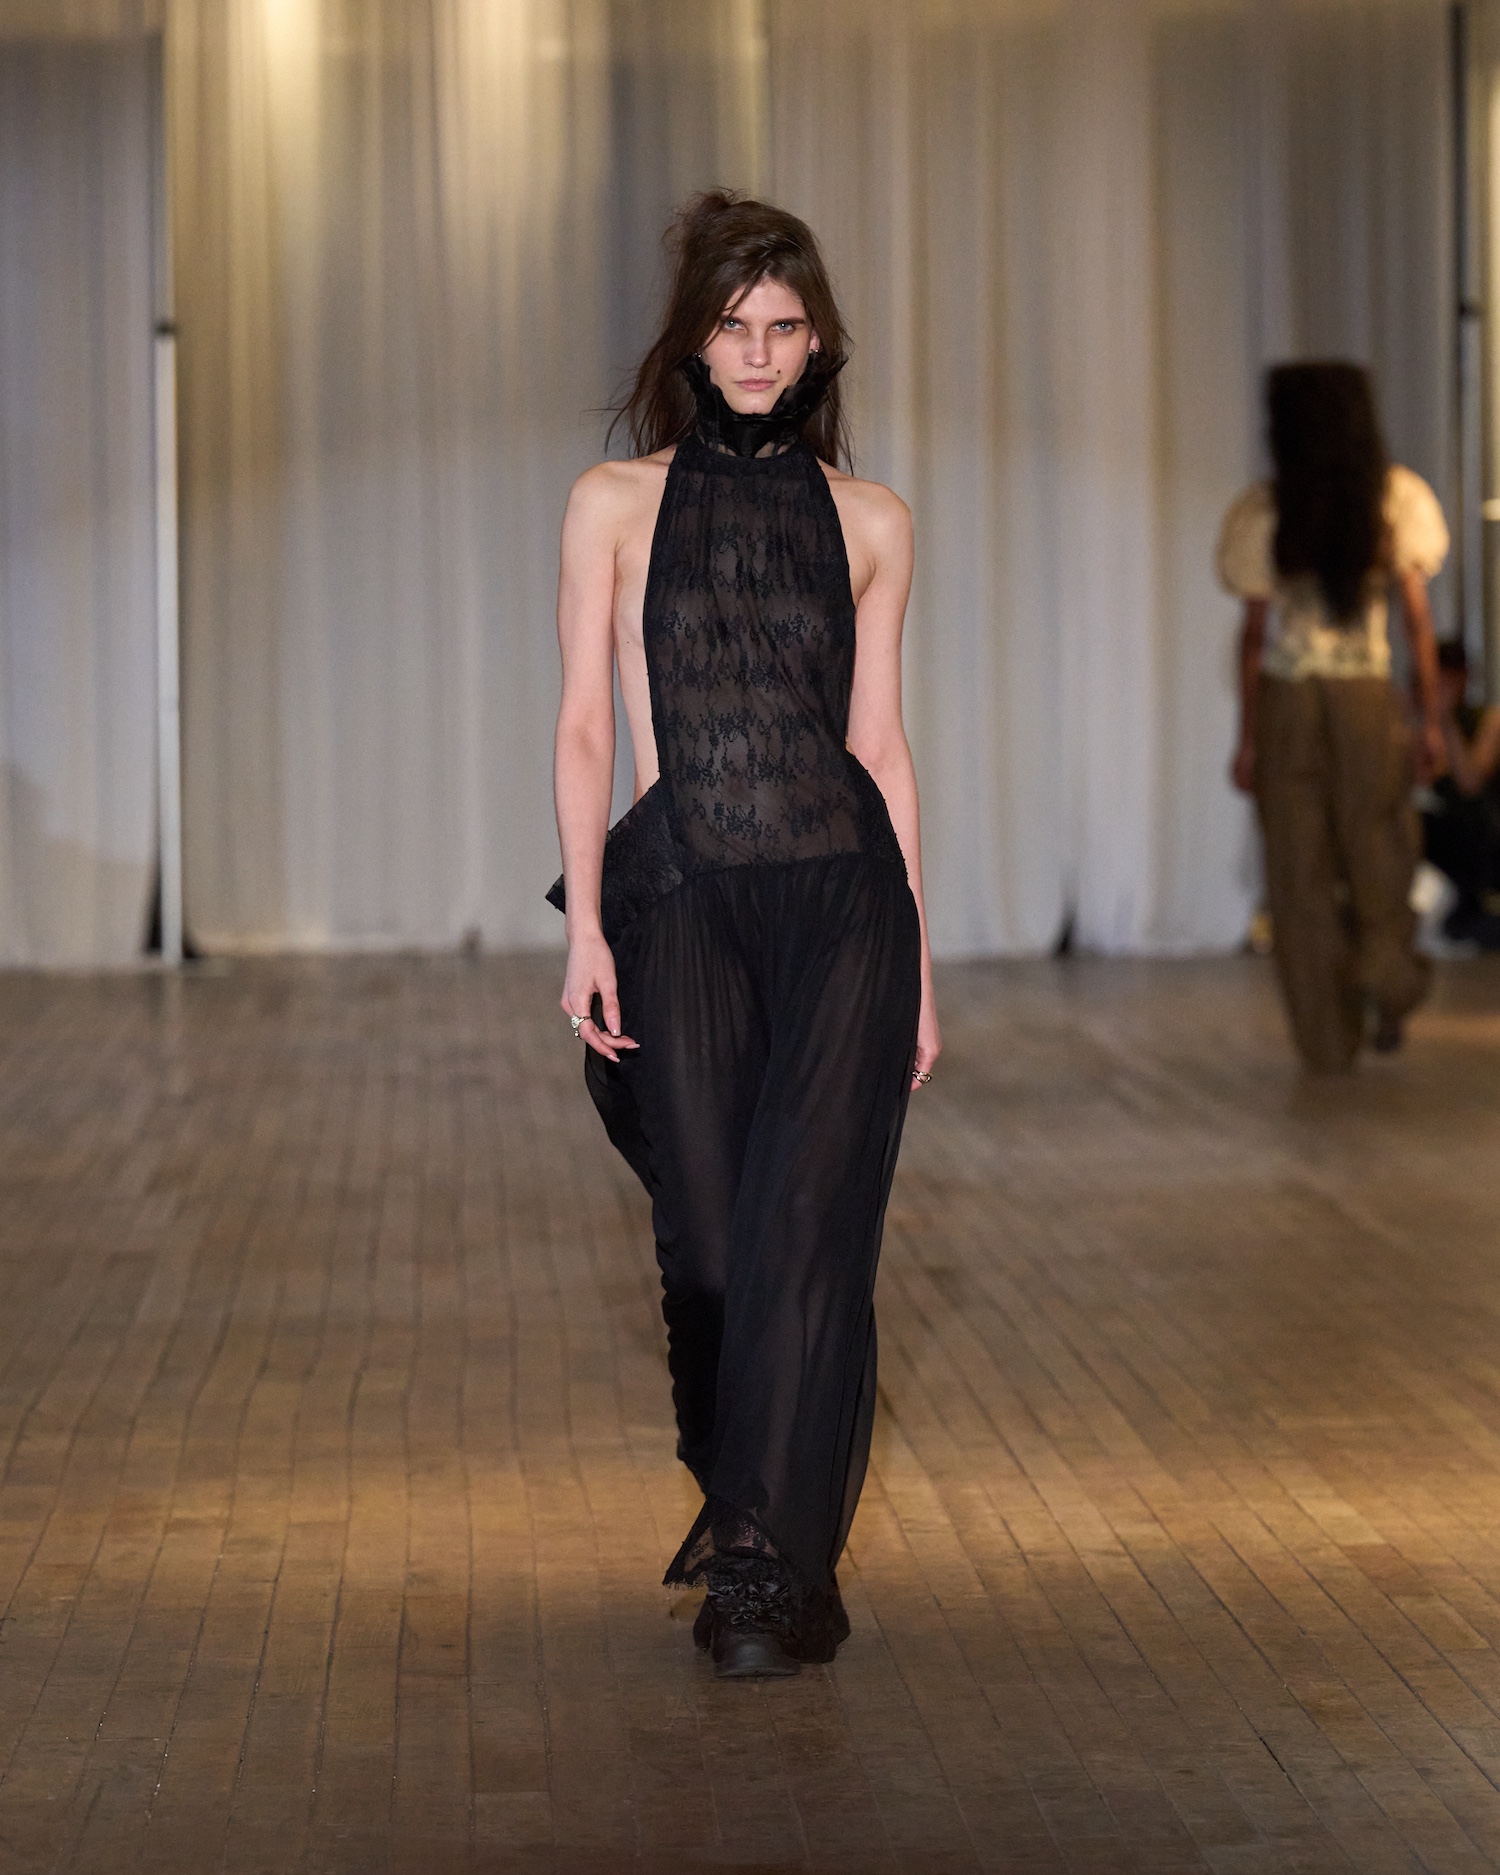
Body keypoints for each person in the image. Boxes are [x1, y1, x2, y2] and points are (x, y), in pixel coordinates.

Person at [548, 192, 940, 1677]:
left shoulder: (874, 520)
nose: (760, 350)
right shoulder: (612, 502)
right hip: (684, 899)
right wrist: (586, 923)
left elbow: (881, 746)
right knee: (714, 1249)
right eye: (734, 325)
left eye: (784, 326)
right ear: (694, 341)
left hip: (845, 909)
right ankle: (751, 1502)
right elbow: (586, 726)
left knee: (808, 1240)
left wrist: (923, 966)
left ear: (818, 340)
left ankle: (769, 1575)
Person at [1217, 361, 1448, 1071]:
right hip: (1366, 697)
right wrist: (1430, 721)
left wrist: (1248, 740)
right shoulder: (1394, 500)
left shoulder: (1268, 510)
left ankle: (1327, 1040)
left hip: (1289, 698)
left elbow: (1256, 637)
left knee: (1299, 869)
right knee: (1380, 848)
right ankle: (1388, 978)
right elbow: (1416, 623)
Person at [1421, 638, 1500, 948]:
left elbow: (1469, 781)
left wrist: (1445, 719)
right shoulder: (1420, 722)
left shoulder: (1489, 719)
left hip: (1480, 833)